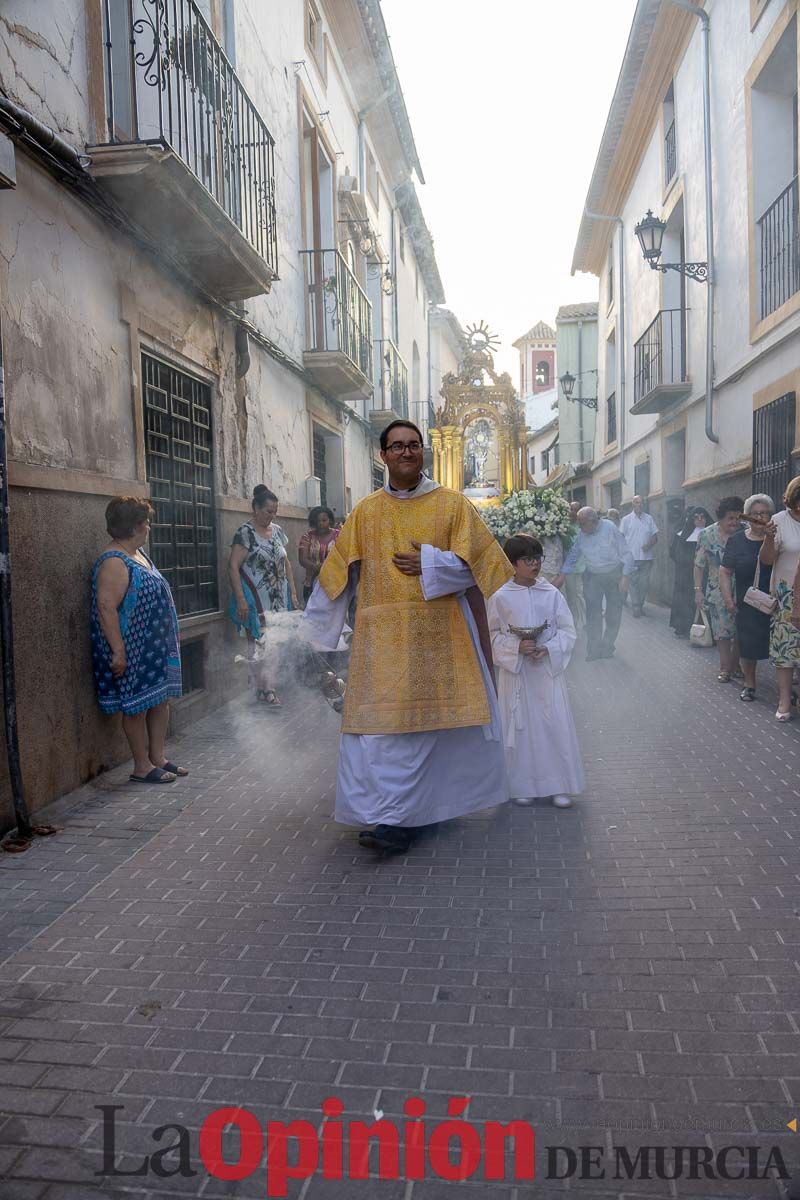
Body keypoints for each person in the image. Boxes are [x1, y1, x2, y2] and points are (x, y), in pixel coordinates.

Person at [302, 419, 513, 855]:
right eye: (396, 446)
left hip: (441, 636)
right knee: (385, 732)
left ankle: (417, 814)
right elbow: (339, 569)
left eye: (413, 445)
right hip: (383, 642)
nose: (405, 452)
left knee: (432, 731)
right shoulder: (366, 510)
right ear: (383, 456)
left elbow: (486, 567)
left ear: (423, 453)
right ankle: (392, 815)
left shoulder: (453, 505)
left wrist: (432, 564)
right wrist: (316, 633)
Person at [91, 497, 185, 784]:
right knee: (136, 706)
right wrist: (119, 651)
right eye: (146, 522)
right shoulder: (113, 561)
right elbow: (106, 607)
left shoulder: (138, 553)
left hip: (154, 648)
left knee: (160, 701)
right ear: (134, 526)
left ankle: (158, 758)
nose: (149, 527)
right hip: (133, 648)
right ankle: (141, 766)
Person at [488, 534, 585, 810]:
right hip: (517, 674)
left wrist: (550, 648)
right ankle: (523, 784)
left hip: (545, 672)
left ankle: (560, 785)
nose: (535, 564)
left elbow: (568, 630)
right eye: (528, 559)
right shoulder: (500, 596)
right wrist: (515, 647)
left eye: (537, 558)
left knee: (552, 723)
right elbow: (491, 634)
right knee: (520, 727)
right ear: (513, 563)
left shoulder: (551, 593)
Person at [228, 485, 299, 708]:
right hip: (256, 600)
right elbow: (232, 566)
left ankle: (266, 685)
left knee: (275, 644)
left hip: (279, 598)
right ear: (255, 509)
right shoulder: (245, 533)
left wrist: (293, 593)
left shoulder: (277, 531)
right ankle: (264, 688)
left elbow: (286, 563)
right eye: (268, 511)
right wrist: (240, 599)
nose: (272, 515)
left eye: (275, 511)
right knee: (259, 643)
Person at [553, 507, 633, 661]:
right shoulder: (582, 534)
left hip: (613, 574)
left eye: (582, 524)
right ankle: (594, 649)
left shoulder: (610, 528)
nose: (580, 527)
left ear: (593, 521)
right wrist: (562, 575)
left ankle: (608, 646)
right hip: (593, 576)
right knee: (593, 614)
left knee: (613, 613)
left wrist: (625, 577)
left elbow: (626, 553)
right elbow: (573, 555)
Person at [719, 494, 774, 703]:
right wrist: (728, 599)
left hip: (776, 599)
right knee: (747, 643)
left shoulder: (776, 537)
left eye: (765, 513)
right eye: (755, 514)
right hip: (748, 600)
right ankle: (749, 684)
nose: (760, 517)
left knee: (779, 643)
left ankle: (786, 685)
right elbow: (725, 571)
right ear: (748, 517)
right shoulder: (737, 540)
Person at [759, 475, 800, 721]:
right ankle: (784, 700)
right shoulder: (779, 521)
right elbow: (765, 560)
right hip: (786, 596)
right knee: (785, 651)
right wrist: (768, 538)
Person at [693, 496, 744, 683]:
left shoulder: (745, 532)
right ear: (720, 518)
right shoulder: (706, 535)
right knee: (723, 633)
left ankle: (736, 664)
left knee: (740, 631)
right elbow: (699, 565)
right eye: (730, 518)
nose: (735, 522)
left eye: (738, 517)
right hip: (717, 592)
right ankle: (725, 667)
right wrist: (698, 590)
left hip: (743, 589)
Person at [669, 507, 711, 637]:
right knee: (685, 601)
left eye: (702, 517)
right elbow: (675, 553)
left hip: (705, 575)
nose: (699, 520)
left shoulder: (711, 533)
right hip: (685, 575)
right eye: (696, 517)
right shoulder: (684, 535)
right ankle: (684, 626)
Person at [620, 495, 659, 617]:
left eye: (641, 502)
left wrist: (649, 545)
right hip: (631, 559)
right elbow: (621, 538)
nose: (639, 505)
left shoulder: (649, 519)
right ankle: (636, 607)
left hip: (646, 559)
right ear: (633, 504)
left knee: (644, 584)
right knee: (632, 583)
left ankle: (640, 604)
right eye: (637, 502)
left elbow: (655, 537)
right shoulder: (626, 520)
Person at [298, 506, 340, 604]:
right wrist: (316, 567)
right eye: (317, 521)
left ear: (330, 520)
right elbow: (302, 559)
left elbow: (344, 556)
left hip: (336, 584)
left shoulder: (339, 536)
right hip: (311, 583)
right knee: (312, 617)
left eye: (324, 520)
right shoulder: (307, 537)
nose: (321, 523)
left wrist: (328, 568)